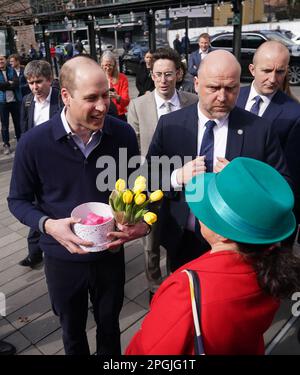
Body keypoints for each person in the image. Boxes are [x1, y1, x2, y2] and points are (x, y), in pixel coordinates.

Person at [8, 55, 149, 355]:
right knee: (72, 333)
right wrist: (48, 226)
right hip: (62, 258)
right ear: (66, 96)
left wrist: (141, 222)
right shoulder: (34, 143)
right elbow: (17, 201)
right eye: (91, 98)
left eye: (105, 95)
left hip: (110, 256)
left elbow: (140, 188)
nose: (102, 106)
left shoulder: (122, 134)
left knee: (110, 328)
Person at [126, 157, 300, 355]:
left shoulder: (185, 290)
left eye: (208, 207)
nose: (198, 213)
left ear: (223, 233)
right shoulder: (273, 266)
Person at [146, 50, 290, 273]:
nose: (222, 97)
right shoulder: (169, 125)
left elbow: (283, 185)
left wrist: (243, 181)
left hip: (238, 244)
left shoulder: (260, 130)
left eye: (231, 89)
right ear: (196, 84)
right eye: (213, 88)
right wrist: (176, 177)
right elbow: (148, 175)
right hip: (183, 239)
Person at [128, 48, 198, 301]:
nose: (163, 80)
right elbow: (133, 150)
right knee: (151, 239)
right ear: (152, 75)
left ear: (178, 74)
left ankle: (178, 282)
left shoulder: (193, 100)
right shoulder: (138, 106)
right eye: (158, 74)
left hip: (187, 183)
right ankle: (154, 287)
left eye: (169, 74)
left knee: (180, 235)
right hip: (151, 182)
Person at [236, 41, 300, 248]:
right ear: (252, 69)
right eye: (266, 71)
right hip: (229, 200)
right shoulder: (232, 97)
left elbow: (291, 174)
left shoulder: (294, 113)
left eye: (280, 72)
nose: (273, 79)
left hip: (265, 210)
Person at [18, 60, 62, 268]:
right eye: (30, 82)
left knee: (50, 205)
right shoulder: (27, 101)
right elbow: (24, 131)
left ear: (50, 80)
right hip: (35, 164)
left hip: (58, 163)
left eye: (39, 82)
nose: (35, 87)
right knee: (35, 205)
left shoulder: (60, 101)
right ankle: (34, 252)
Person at [100, 51, 130, 121]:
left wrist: (117, 97)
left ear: (114, 65)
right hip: (102, 114)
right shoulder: (97, 77)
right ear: (101, 64)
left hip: (118, 115)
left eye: (110, 65)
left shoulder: (122, 78)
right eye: (105, 65)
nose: (108, 68)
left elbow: (126, 101)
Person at [0, 55, 21, 155]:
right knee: (4, 125)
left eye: (2, 59)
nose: (1, 61)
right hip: (2, 102)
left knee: (18, 123)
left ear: (5, 60)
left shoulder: (11, 70)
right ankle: (6, 145)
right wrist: (9, 82)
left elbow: (16, 84)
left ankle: (20, 142)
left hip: (14, 101)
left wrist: (4, 85)